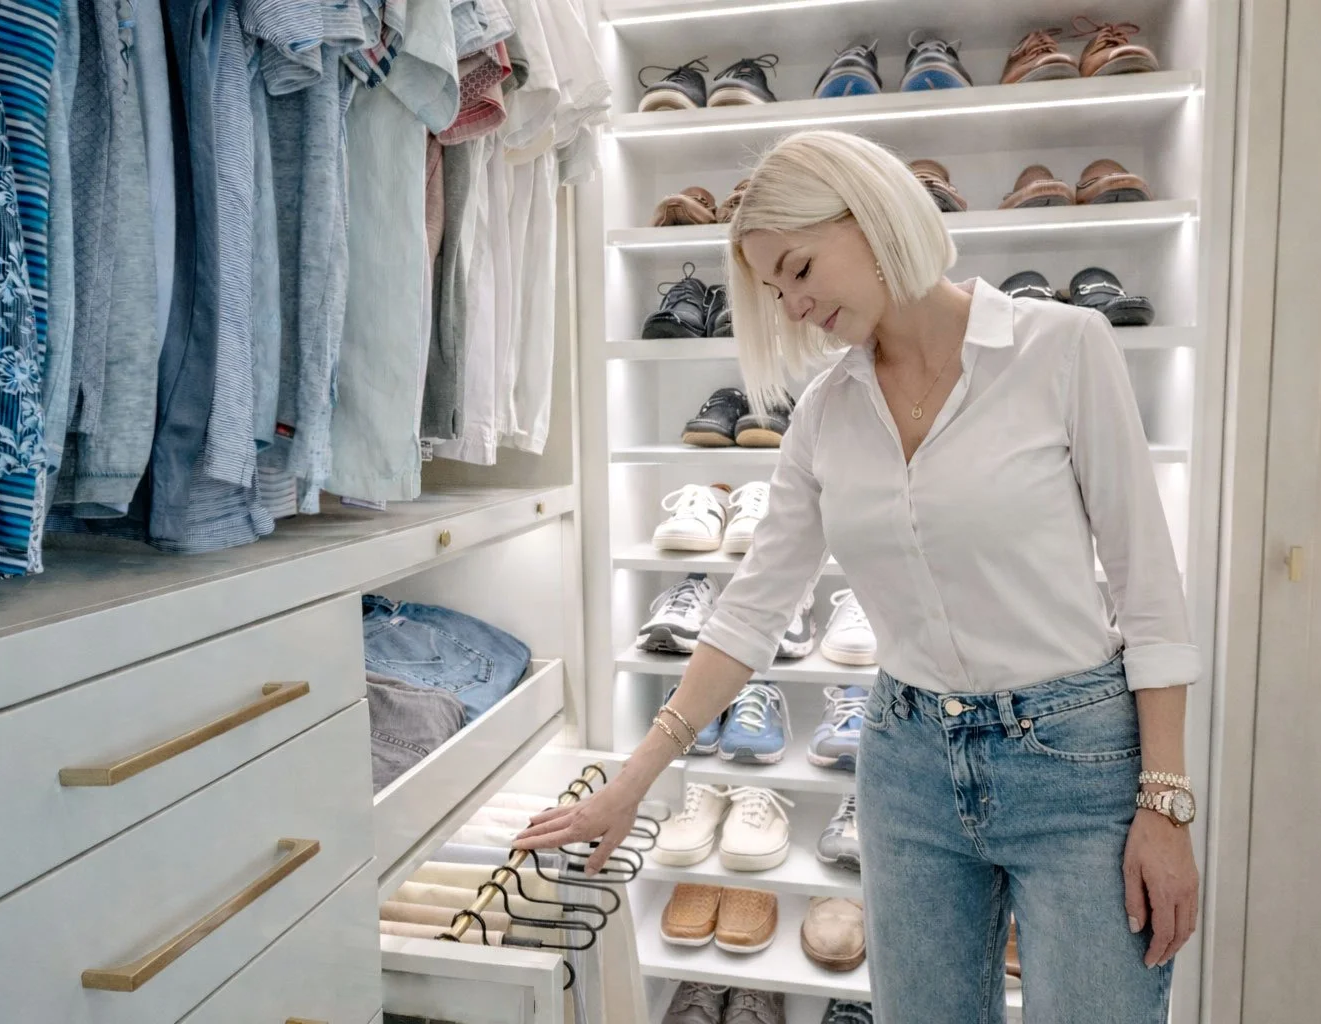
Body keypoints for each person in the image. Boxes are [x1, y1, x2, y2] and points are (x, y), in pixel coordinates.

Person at [514, 129, 1200, 1022]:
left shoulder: (1063, 348)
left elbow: (1150, 593)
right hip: (908, 762)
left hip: (1075, 760)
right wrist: (637, 775)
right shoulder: (826, 413)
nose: (792, 305)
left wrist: (1168, 803)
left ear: (869, 216)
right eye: (773, 289)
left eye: (800, 268)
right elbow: (751, 612)